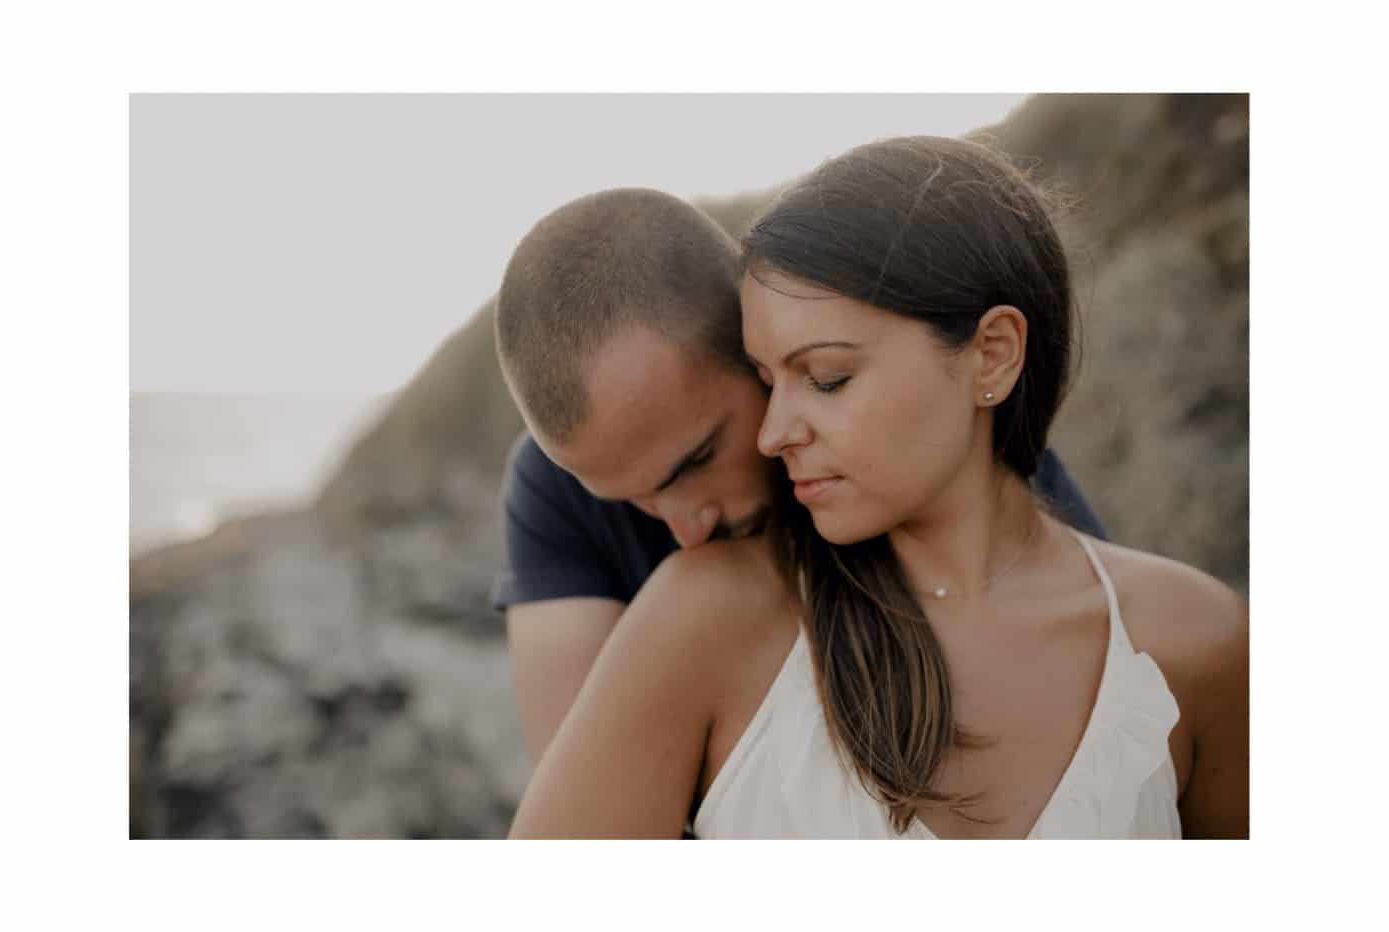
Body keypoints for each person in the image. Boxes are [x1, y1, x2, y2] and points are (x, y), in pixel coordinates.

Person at [504, 135, 1248, 839]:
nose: (682, 524)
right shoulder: (689, 599)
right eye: (777, 381)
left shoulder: (1186, 637)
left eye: (823, 377)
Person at [492, 186, 1106, 774]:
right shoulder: (552, 488)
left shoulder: (914, 444)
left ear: (756, 345)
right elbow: (589, 813)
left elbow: (1101, 692)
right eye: (630, 501)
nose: (685, 530)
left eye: (697, 460)